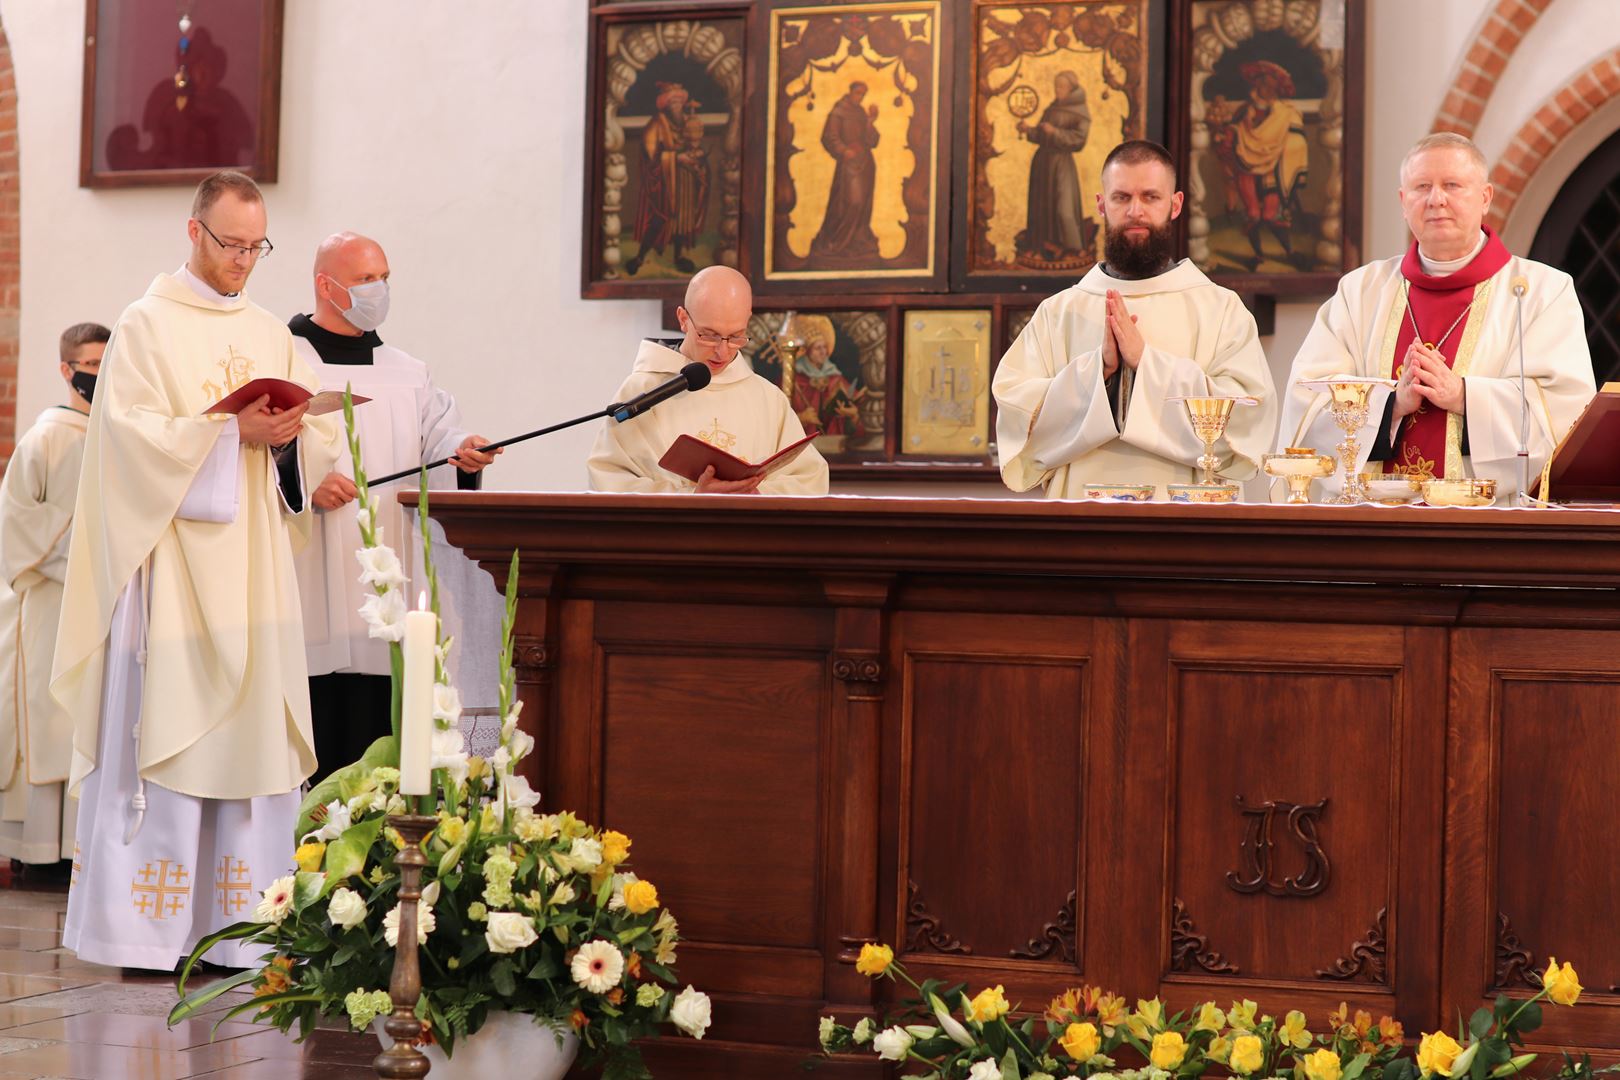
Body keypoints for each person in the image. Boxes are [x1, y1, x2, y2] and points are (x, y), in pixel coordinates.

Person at [53, 171, 342, 970]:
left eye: (257, 247)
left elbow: (302, 459)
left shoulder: (271, 333)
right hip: (172, 571)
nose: (244, 262)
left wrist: (285, 437)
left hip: (253, 571)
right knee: (174, 738)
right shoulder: (145, 325)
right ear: (194, 232)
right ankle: (146, 934)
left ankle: (241, 934)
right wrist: (225, 437)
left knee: (250, 745)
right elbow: (126, 443)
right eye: (230, 244)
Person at [288, 232, 499, 784]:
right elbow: (252, 453)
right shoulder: (283, 361)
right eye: (363, 279)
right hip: (305, 586)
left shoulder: (408, 372)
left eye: (383, 276)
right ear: (324, 285)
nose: (378, 289)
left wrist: (464, 454)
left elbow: (440, 444)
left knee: (376, 753)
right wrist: (307, 488)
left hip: (387, 589)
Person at [1278, 133, 1596, 493]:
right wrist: (1392, 405)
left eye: (1453, 185)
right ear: (1403, 201)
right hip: (1371, 523)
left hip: (1487, 524)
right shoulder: (1359, 292)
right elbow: (1307, 400)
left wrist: (1462, 395)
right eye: (1421, 187)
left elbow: (1563, 413)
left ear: (1485, 197)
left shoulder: (1541, 291)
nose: (1436, 200)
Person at [994, 140, 1278, 498]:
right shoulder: (1059, 312)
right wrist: (1099, 372)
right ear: (1101, 204)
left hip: (1186, 518)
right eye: (1121, 197)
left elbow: (1250, 416)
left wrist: (1148, 364)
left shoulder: (1220, 309)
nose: (1135, 211)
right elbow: (1017, 414)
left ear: (1175, 205)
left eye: (1150, 197)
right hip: (1081, 517)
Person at [0, 324, 107, 872]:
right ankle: (42, 854)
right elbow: (17, 518)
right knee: (52, 718)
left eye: (108, 363)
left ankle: (82, 851)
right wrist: (84, 553)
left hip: (104, 606)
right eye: (91, 363)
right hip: (50, 600)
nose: (99, 373)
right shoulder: (45, 437)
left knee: (91, 719)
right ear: (68, 370)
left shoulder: (117, 436)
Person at [588, 266, 830, 494]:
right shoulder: (641, 391)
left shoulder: (767, 398)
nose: (722, 352)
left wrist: (753, 493)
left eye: (736, 337)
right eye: (709, 336)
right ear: (683, 319)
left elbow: (810, 479)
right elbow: (609, 478)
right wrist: (692, 496)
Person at [1206, 60, 1309, 269]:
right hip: (1247, 168)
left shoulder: (1286, 112)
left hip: (1273, 170)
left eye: (1271, 85)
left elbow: (1297, 142)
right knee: (1252, 214)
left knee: (1271, 216)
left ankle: (1289, 252)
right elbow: (1232, 134)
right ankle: (1258, 255)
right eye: (1263, 84)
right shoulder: (1245, 111)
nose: (1266, 89)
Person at [625, 82, 710, 276]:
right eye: (673, 103)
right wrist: (676, 157)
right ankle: (640, 256)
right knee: (659, 220)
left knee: (683, 220)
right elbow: (650, 155)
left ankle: (678, 256)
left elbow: (694, 142)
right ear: (666, 105)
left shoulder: (687, 121)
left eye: (679, 102)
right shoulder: (657, 124)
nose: (677, 106)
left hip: (684, 181)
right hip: (665, 183)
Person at [1016, 71, 1093, 268]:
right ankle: (1043, 246)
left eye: (1060, 86)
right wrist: (1028, 130)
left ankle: (1073, 248)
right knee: (1042, 206)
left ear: (1071, 89)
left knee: (1063, 206)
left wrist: (1055, 132)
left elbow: (1079, 140)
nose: (1057, 90)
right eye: (1055, 86)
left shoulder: (1079, 111)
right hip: (1043, 162)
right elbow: (1042, 134)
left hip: (1061, 163)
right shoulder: (1052, 108)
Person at [811, 83, 881, 260]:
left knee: (863, 205)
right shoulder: (838, 112)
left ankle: (856, 241)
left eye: (863, 95)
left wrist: (871, 122)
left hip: (865, 164)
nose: (860, 97)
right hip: (849, 165)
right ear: (850, 92)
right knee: (852, 202)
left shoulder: (860, 113)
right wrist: (843, 150)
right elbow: (829, 136)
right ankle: (836, 242)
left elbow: (872, 141)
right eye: (858, 93)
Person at [789, 315, 865, 439]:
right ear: (808, 351)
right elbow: (776, 415)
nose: (823, 351)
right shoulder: (795, 379)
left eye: (825, 347)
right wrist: (801, 418)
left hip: (832, 442)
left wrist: (854, 415)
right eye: (818, 348)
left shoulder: (836, 378)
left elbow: (856, 413)